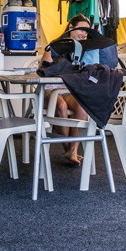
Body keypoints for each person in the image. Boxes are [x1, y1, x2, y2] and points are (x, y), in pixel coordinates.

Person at [40, 15, 96, 165]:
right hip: (50, 89)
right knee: (61, 106)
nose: (84, 34)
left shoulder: (82, 50)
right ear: (71, 27)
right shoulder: (54, 45)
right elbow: (42, 71)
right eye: (81, 30)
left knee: (82, 105)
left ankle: (73, 150)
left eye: (86, 32)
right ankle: (68, 148)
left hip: (68, 89)